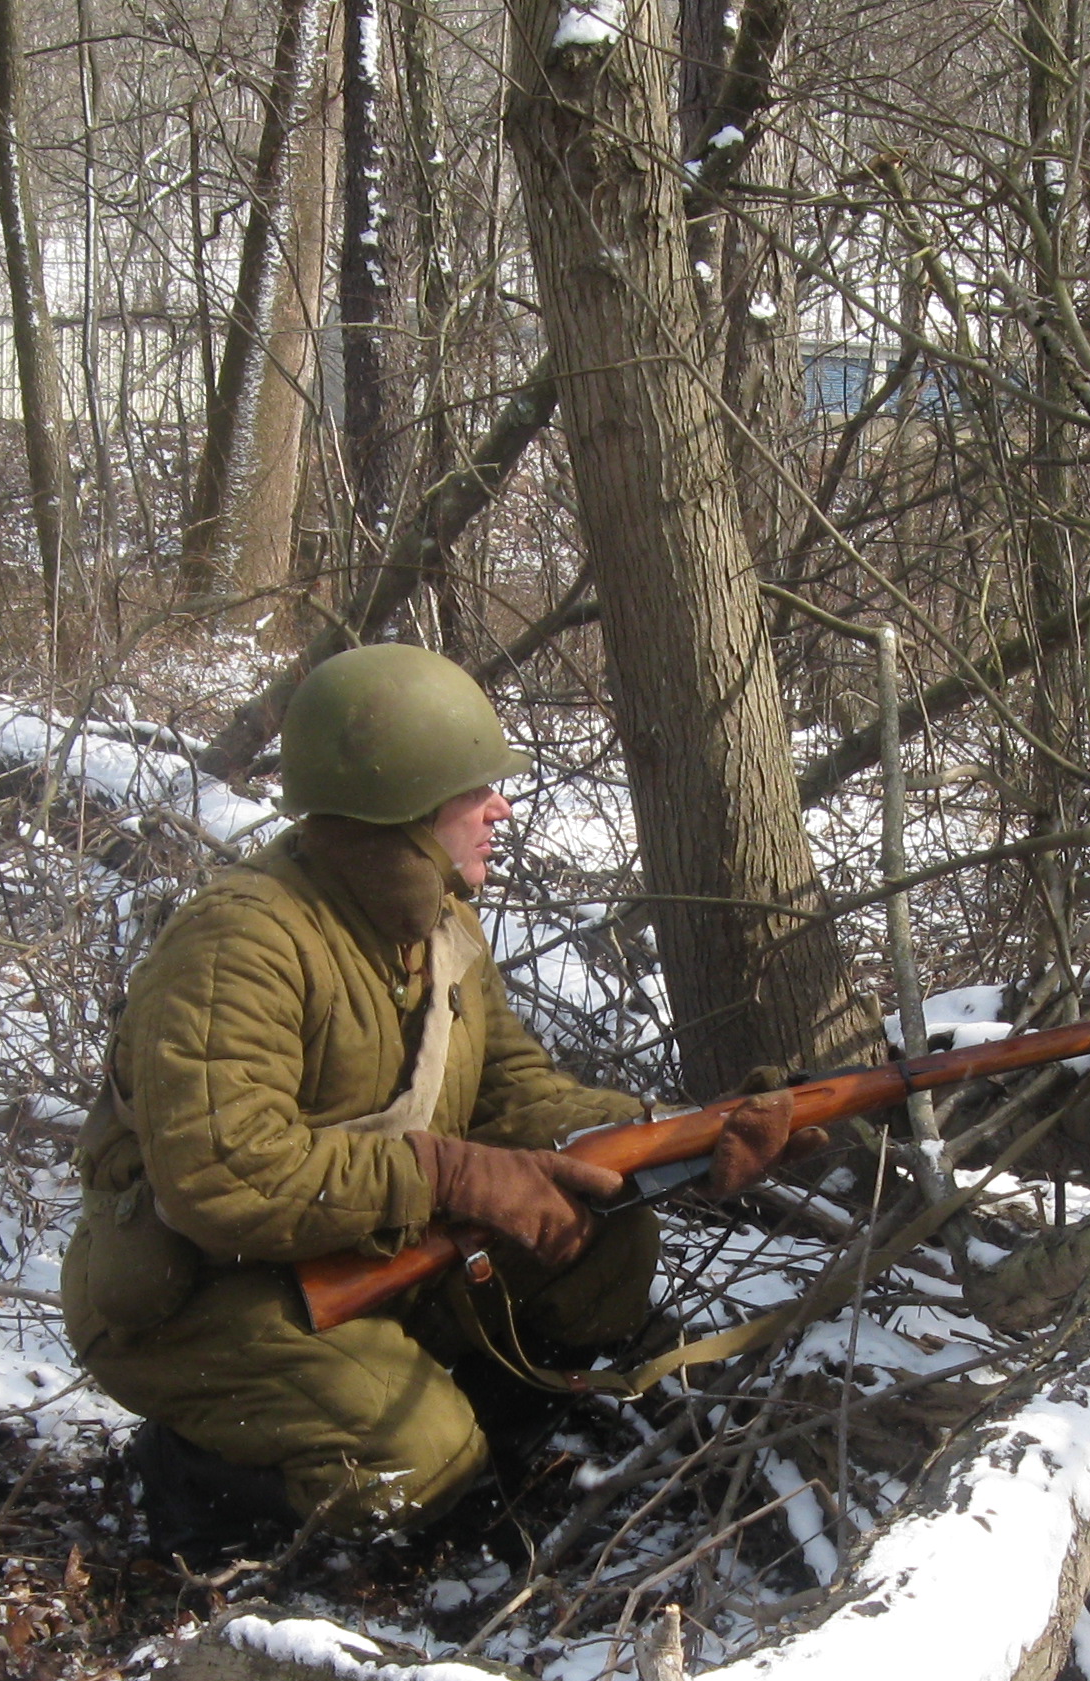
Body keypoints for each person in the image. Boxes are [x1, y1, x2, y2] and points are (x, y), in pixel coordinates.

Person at [61, 645, 799, 1547]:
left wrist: (675, 1136)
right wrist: (447, 1174)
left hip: (358, 1248)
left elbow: (508, 1087)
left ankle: (461, 1432)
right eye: (475, 789)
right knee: (422, 1463)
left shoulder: (438, 926)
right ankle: (188, 1488)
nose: (502, 808)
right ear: (402, 805)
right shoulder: (239, 944)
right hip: (208, 1296)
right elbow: (225, 1177)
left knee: (605, 1247)